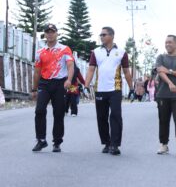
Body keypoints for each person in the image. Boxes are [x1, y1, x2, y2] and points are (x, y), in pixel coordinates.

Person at [84, 27, 134, 155]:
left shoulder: (122, 52)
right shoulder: (95, 52)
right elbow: (90, 70)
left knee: (116, 116)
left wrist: (132, 88)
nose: (101, 36)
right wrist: (86, 86)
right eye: (100, 34)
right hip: (100, 89)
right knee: (101, 117)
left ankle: (115, 145)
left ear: (111, 36)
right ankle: (106, 143)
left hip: (115, 89)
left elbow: (127, 71)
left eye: (104, 34)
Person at [32, 23, 74, 152]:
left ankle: (57, 142)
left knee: (59, 113)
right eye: (47, 32)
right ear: (44, 34)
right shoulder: (40, 52)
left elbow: (70, 65)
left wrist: (69, 80)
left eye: (52, 31)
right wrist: (34, 89)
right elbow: (37, 72)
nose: (50, 34)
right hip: (44, 84)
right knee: (39, 110)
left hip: (59, 83)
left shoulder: (64, 49)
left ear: (56, 33)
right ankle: (41, 140)